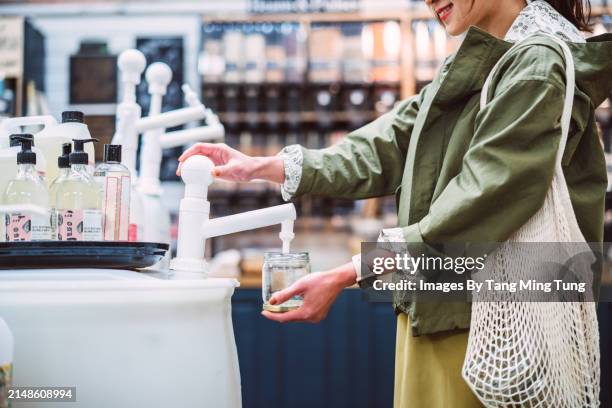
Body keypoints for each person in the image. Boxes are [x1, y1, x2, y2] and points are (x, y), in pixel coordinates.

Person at [178, 1, 612, 406]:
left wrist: (353, 271)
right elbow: (388, 143)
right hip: (448, 302)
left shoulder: (536, 67)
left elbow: (480, 204)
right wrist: (264, 167)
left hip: (490, 324)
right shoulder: (488, 58)